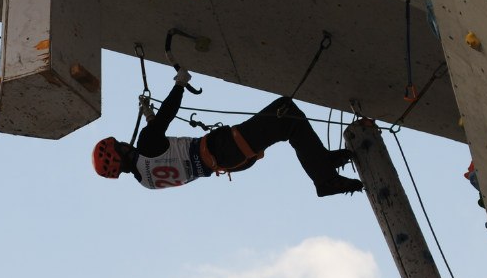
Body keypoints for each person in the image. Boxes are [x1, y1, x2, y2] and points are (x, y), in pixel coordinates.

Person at [92, 69, 364, 197]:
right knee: (285, 112)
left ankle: (322, 163)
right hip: (223, 149)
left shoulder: (146, 182)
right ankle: (324, 178)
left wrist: (150, 119)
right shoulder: (145, 144)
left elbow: (162, 150)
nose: (124, 142)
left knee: (287, 123)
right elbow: (166, 116)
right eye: (119, 145)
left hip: (227, 162)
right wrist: (179, 84)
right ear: (120, 155)